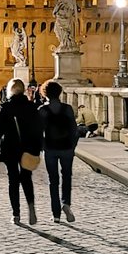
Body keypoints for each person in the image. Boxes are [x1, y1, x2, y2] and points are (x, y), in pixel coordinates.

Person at [0, 78, 42, 225]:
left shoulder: (5, 107)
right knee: (26, 178)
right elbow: (38, 129)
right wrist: (38, 148)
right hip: (27, 147)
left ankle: (16, 214)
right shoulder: (31, 106)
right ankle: (31, 207)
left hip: (10, 147)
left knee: (13, 181)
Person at [38, 82, 79, 223]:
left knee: (53, 180)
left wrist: (42, 146)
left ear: (45, 93)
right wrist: (72, 146)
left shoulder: (42, 110)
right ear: (59, 92)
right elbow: (74, 130)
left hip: (50, 148)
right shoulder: (67, 109)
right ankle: (66, 204)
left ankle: (56, 214)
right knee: (67, 177)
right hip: (66, 147)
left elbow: (38, 132)